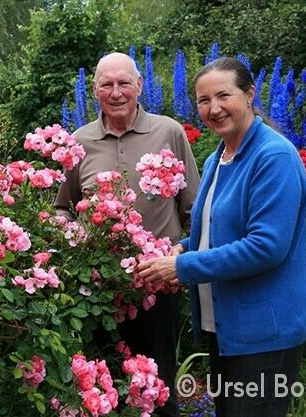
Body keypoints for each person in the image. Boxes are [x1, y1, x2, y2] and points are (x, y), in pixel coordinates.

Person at [136, 57, 306, 417]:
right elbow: (218, 230)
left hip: (264, 332)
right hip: (228, 329)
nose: (213, 108)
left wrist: (182, 266)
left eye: (223, 96)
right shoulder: (220, 156)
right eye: (203, 101)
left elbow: (266, 247)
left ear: (249, 95)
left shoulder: (273, 156)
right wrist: (183, 247)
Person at [55, 52, 200, 417]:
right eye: (107, 84)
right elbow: (61, 208)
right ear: (95, 90)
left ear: (139, 85)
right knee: (103, 386)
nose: (116, 92)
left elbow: (194, 212)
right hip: (100, 289)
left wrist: (182, 258)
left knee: (160, 385)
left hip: (158, 284)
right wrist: (75, 237)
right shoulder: (79, 140)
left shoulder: (169, 132)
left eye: (124, 83)